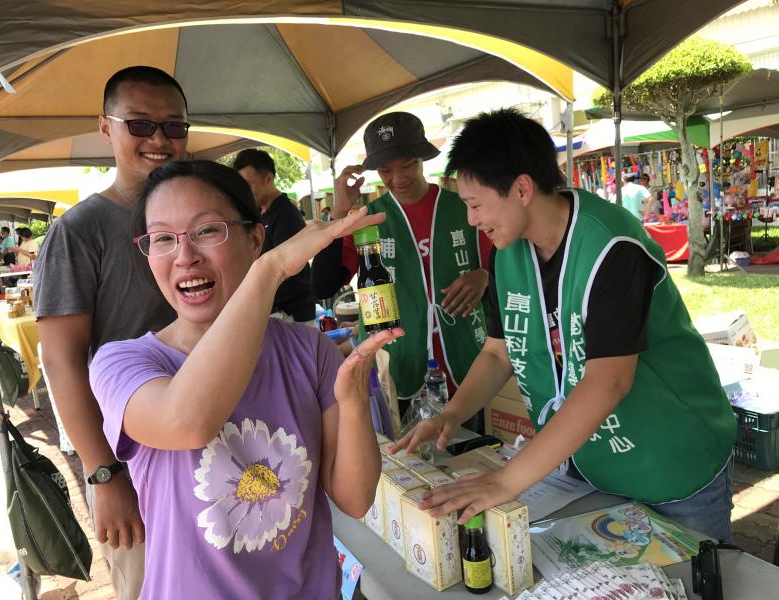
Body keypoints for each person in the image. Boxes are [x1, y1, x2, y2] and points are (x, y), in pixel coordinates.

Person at [393, 108, 736, 542]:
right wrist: (452, 414)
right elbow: (499, 350)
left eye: (475, 204)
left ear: (521, 188)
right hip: (590, 462)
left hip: (671, 460)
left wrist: (505, 480)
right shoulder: (507, 253)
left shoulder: (612, 247)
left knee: (691, 583)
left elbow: (608, 382)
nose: (472, 220)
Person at [89, 160, 400, 599]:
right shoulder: (122, 364)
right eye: (162, 238)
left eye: (207, 230)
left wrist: (351, 403)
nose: (184, 256)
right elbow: (187, 421)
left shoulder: (308, 351)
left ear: (255, 238)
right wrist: (268, 272)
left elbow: (355, 498)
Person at [33, 65, 191, 599]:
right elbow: (60, 361)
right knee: (151, 585)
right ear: (106, 128)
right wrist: (104, 475)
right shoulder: (77, 232)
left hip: (214, 437)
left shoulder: (197, 214)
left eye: (174, 127)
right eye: (140, 125)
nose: (160, 141)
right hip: (134, 460)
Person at [311, 111, 492, 418]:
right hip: (392, 367)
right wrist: (339, 213)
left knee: (468, 456)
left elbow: (510, 270)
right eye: (385, 169)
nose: (398, 178)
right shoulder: (366, 219)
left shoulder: (464, 208)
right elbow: (323, 285)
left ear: (423, 158)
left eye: (408, 164)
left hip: (463, 363)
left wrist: (486, 275)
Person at [234, 149, 316, 324]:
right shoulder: (259, 214)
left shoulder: (286, 215)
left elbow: (290, 271)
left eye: (248, 184)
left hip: (291, 316)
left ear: (269, 179)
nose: (244, 191)